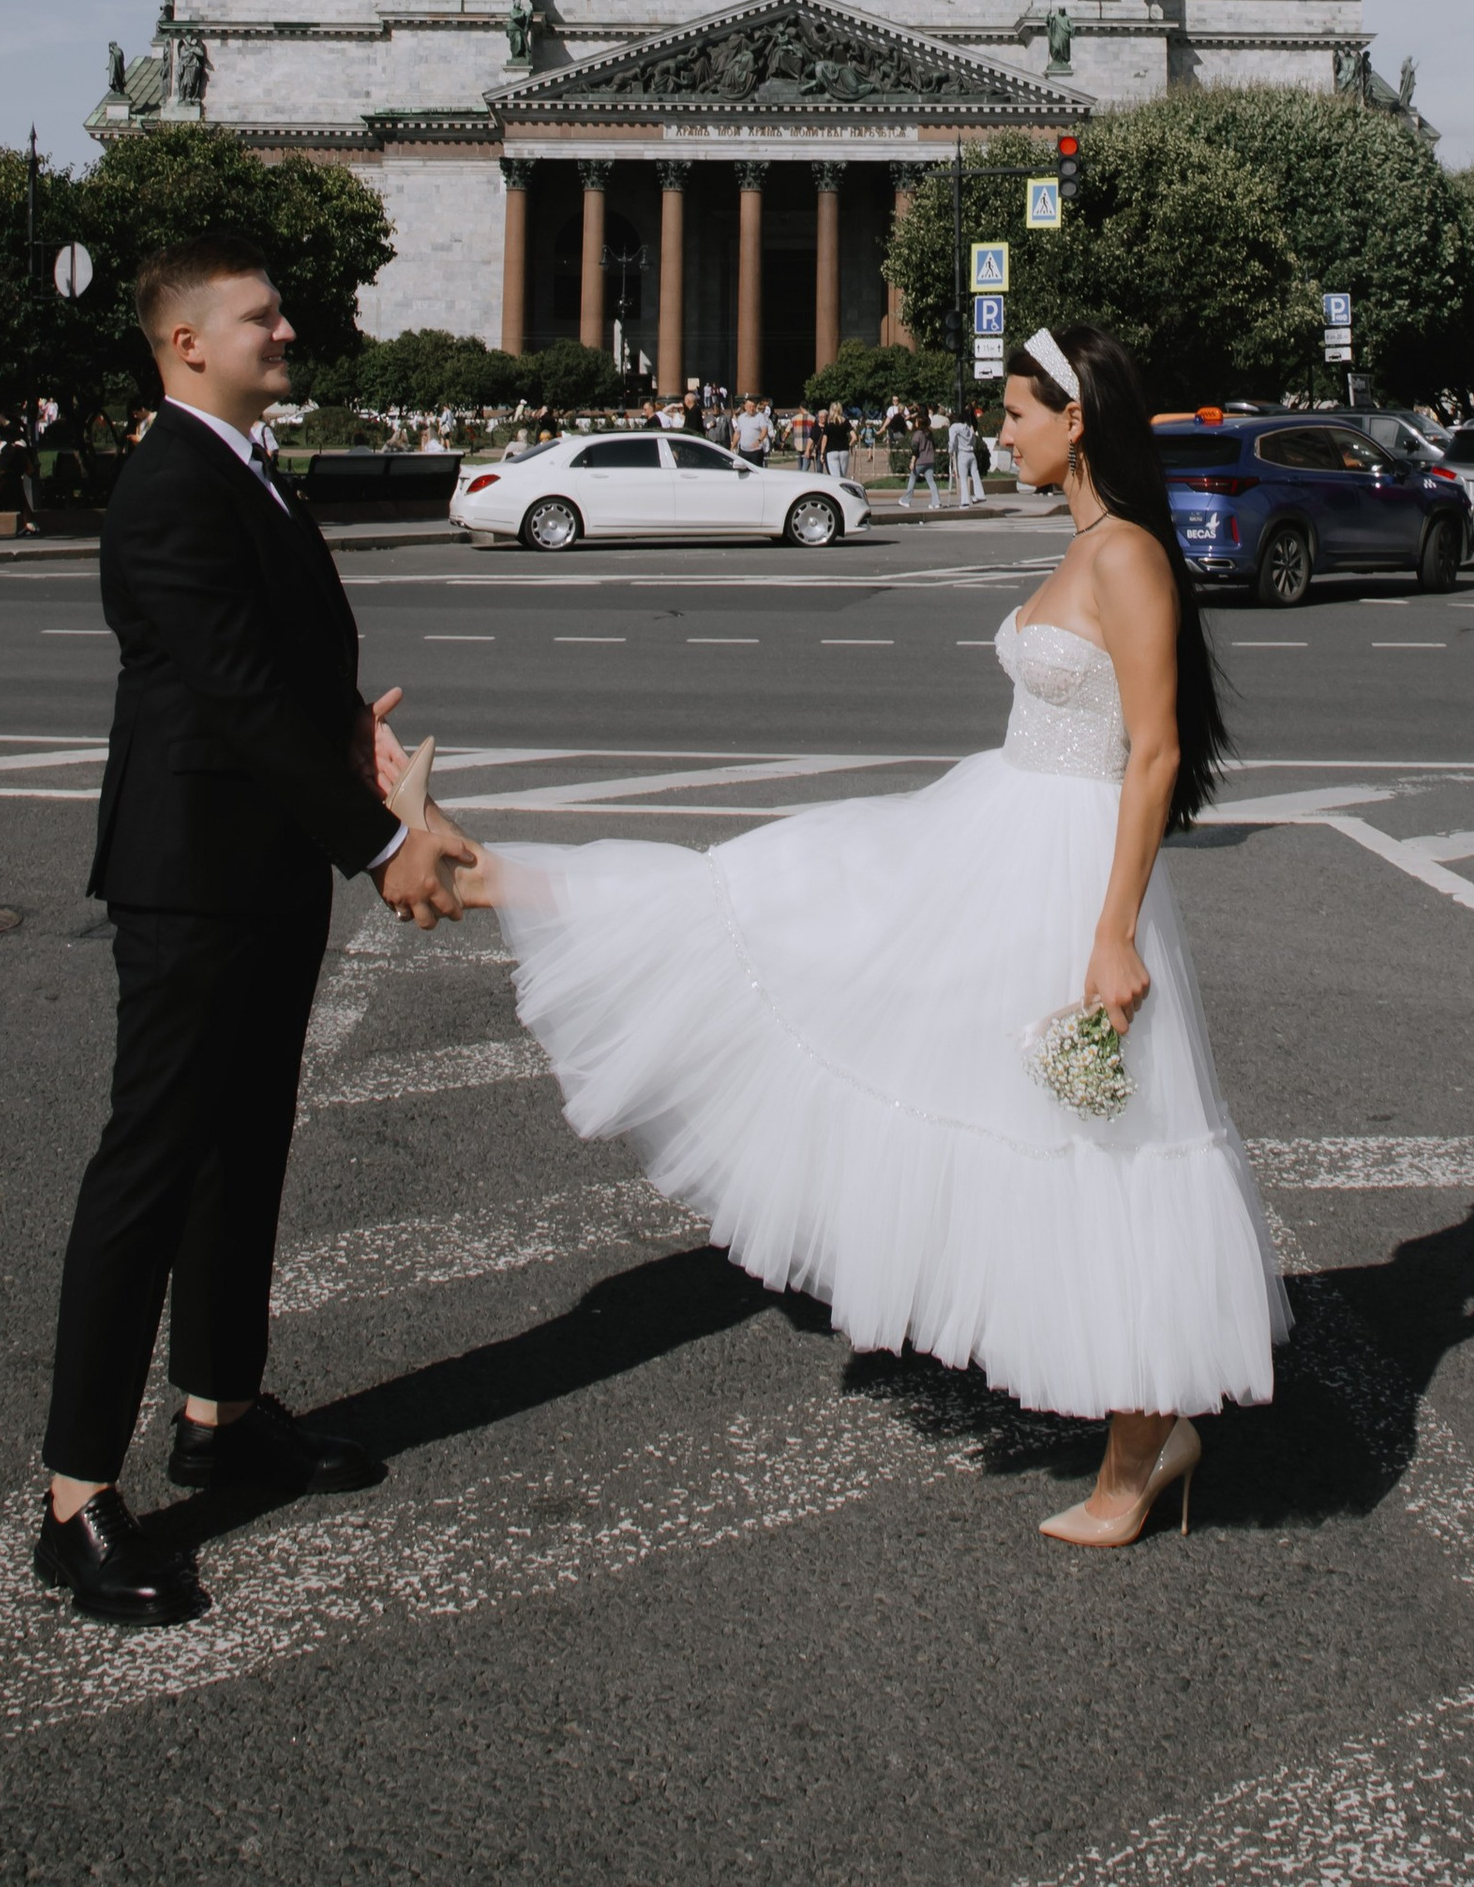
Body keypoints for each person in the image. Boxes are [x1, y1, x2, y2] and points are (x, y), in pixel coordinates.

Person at [465, 321, 1285, 1547]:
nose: (998, 431)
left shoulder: (1125, 559)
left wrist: (1112, 934)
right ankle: (485, 875)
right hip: (999, 834)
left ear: (1077, 423)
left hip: (1067, 868)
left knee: (1101, 1147)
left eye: (1015, 413)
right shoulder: (1088, 545)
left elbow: (1155, 753)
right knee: (783, 915)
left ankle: (1142, 1454)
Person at [34, 239, 477, 1627]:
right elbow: (223, 689)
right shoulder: (171, 479)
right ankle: (73, 1495)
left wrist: (348, 735)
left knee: (242, 1150)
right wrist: (387, 842)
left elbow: (268, 669)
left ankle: (221, 1408)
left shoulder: (240, 462)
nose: (288, 329)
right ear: (184, 345)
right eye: (260, 316)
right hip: (193, 874)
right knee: (152, 1165)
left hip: (261, 859)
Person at [948, 397, 984, 510]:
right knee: (975, 473)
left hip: (962, 454)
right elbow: (973, 439)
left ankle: (965, 502)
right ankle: (979, 494)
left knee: (963, 478)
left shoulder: (955, 427)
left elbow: (952, 440)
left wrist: (950, 450)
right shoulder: (969, 428)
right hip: (971, 453)